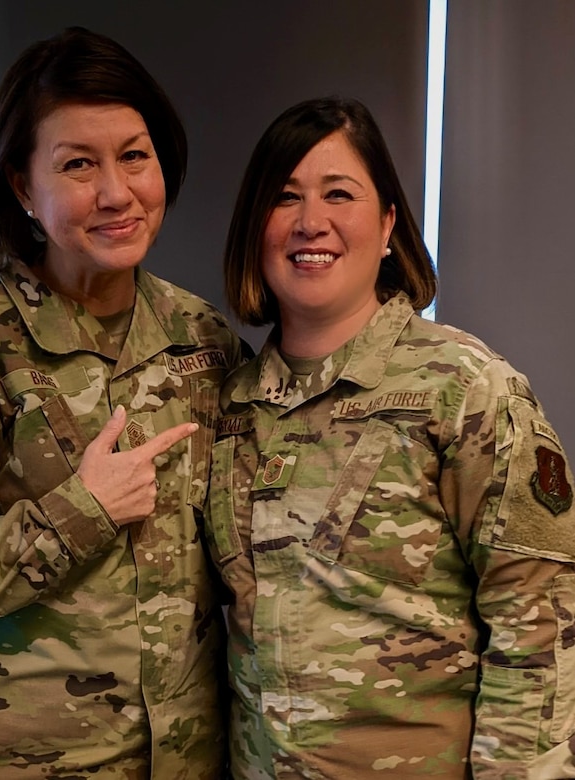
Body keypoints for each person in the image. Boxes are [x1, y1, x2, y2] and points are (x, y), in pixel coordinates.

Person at [0, 26, 244, 779]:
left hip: (189, 760)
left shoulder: (204, 342)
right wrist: (79, 514)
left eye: (135, 155)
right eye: (76, 165)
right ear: (22, 187)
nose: (116, 192)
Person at [205, 95, 575, 779]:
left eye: (337, 193)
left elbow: (540, 626)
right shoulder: (228, 408)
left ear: (386, 225)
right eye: (284, 198)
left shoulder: (463, 388)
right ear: (254, 227)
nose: (310, 222)